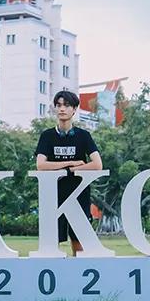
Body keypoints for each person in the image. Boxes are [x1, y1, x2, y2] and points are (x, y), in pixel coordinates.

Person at [35, 90, 103, 256]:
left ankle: (78, 270)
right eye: (58, 105)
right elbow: (41, 165)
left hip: (78, 194)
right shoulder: (47, 136)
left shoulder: (83, 136)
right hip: (53, 195)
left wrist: (70, 171)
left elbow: (97, 165)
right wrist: (70, 163)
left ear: (74, 109)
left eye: (66, 105)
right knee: (51, 244)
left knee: (78, 243)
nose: (62, 109)